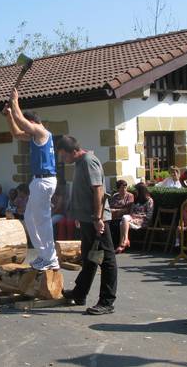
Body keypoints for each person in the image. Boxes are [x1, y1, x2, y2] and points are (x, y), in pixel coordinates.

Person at [57, 135, 116, 315]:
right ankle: (80, 293)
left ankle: (107, 302)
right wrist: (78, 215)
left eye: (63, 155)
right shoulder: (79, 162)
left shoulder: (89, 161)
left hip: (96, 220)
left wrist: (98, 218)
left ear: (73, 151)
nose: (62, 159)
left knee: (106, 260)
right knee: (89, 258)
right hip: (86, 219)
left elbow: (98, 189)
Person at [3, 87, 59, 270]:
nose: (26, 127)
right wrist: (9, 115)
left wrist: (15, 101)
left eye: (28, 124)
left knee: (41, 219)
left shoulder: (41, 132)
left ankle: (50, 258)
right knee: (29, 217)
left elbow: (22, 122)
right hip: (40, 180)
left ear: (33, 122)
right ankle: (44, 255)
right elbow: (17, 134)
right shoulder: (37, 135)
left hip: (44, 181)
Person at [118, 183, 155, 251]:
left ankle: (122, 244)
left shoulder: (149, 200)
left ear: (141, 191)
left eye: (136, 190)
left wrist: (136, 215)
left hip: (143, 221)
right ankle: (124, 241)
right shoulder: (136, 199)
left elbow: (149, 216)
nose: (135, 191)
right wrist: (133, 215)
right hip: (133, 219)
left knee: (122, 222)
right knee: (123, 220)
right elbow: (131, 212)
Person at [109, 180, 134, 247]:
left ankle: (119, 244)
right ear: (118, 188)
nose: (124, 189)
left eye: (125, 187)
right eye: (122, 187)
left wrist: (116, 210)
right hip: (113, 216)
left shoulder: (130, 196)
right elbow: (110, 207)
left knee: (117, 224)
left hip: (123, 217)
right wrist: (116, 211)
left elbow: (127, 209)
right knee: (107, 224)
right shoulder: (115, 196)